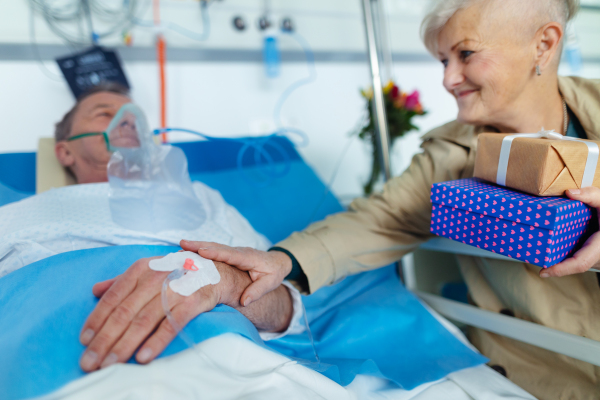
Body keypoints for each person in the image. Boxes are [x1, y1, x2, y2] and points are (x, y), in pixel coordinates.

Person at [188, 0, 600, 398]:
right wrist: (282, 261)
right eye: (443, 60)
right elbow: (382, 220)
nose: (448, 79)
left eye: (466, 53)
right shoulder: (449, 155)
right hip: (544, 367)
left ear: (543, 44)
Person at [45, 83, 299, 371]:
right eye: (104, 114)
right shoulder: (21, 215)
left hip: (223, 365)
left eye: (136, 119)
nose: (128, 121)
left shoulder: (202, 198)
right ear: (65, 152)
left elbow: (286, 307)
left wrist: (224, 281)